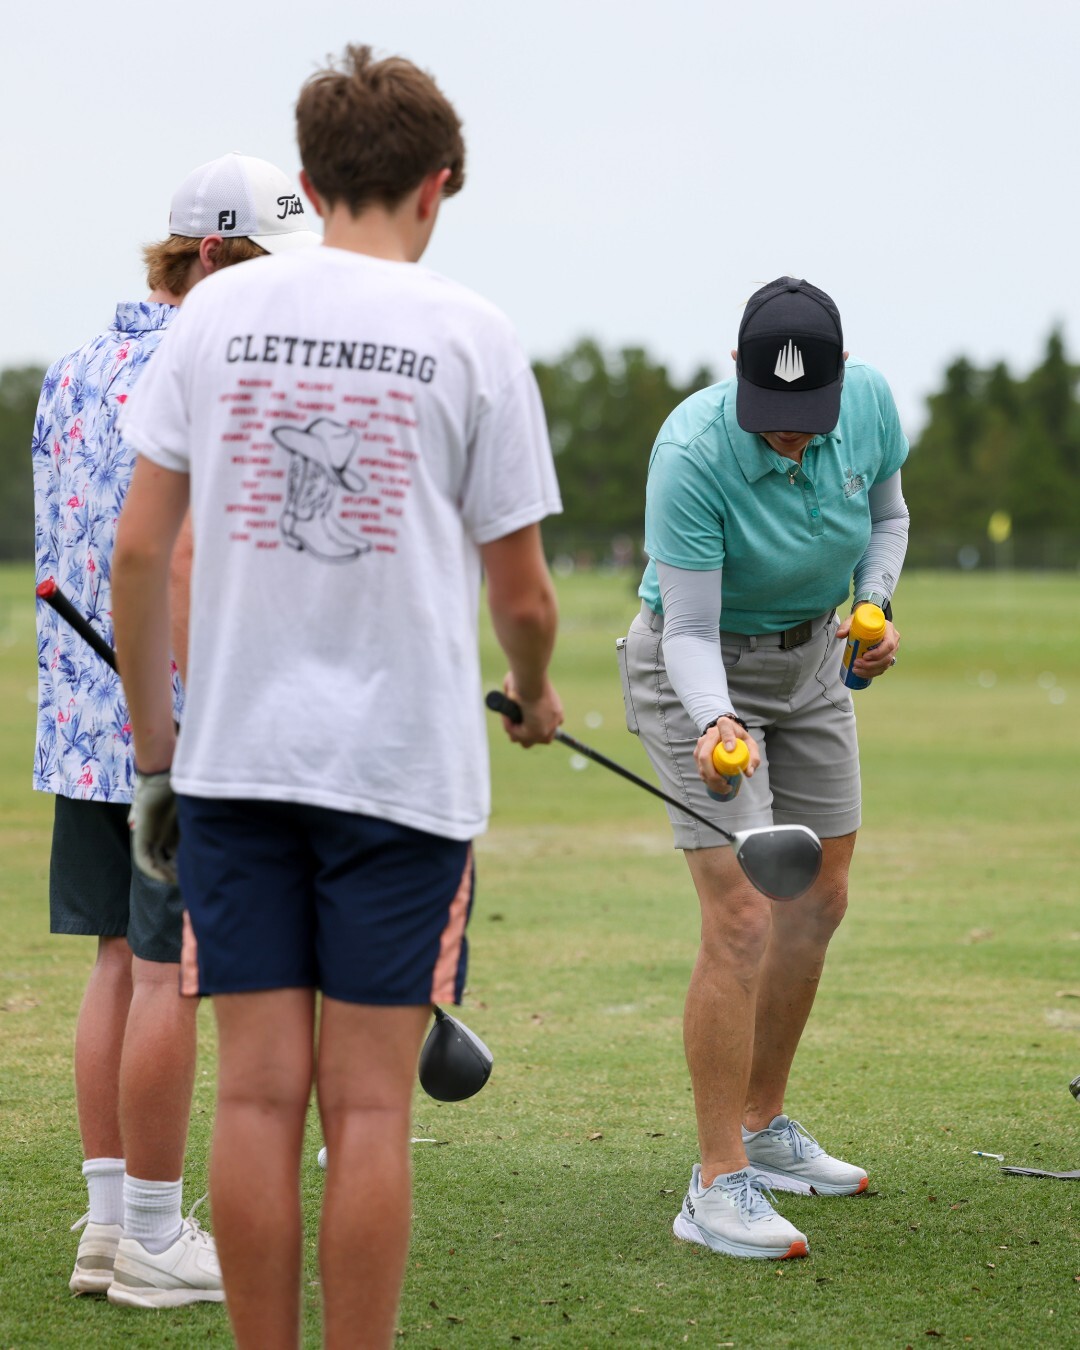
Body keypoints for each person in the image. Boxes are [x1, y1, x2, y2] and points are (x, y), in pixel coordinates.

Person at [110, 45, 563, 1350]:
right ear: (437, 186)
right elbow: (526, 599)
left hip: (235, 767)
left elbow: (139, 552)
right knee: (368, 1110)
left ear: (309, 185)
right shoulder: (475, 335)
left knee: (255, 1099)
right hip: (404, 779)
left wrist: (157, 757)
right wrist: (532, 692)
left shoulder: (213, 318)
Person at [32, 152, 320, 1307]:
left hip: (84, 725)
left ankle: (109, 1228)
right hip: (182, 731)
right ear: (209, 255)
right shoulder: (220, 373)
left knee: (119, 963)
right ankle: (155, 1235)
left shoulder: (70, 371)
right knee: (165, 975)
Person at [618, 277, 909, 1260]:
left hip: (814, 659)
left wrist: (874, 604)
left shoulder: (870, 402)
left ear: (841, 380)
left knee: (819, 898)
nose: (789, 434)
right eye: (772, 413)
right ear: (738, 369)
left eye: (807, 414)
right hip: (697, 669)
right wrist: (714, 720)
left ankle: (762, 1123)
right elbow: (687, 629)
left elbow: (889, 517)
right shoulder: (691, 450)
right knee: (744, 913)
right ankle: (715, 1183)